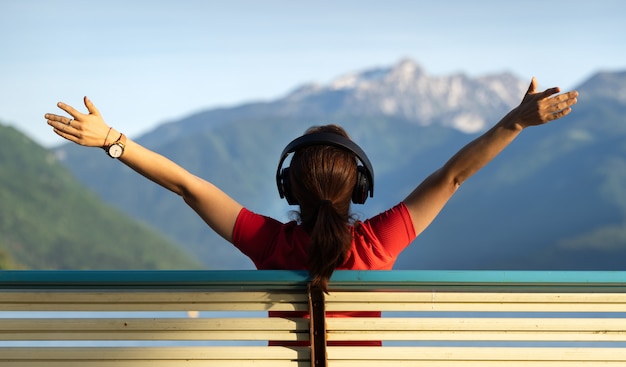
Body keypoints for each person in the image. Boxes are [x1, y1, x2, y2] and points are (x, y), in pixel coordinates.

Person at [45, 77, 577, 345]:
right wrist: (514, 123)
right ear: (360, 190)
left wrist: (113, 140)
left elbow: (187, 186)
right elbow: (452, 177)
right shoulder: (378, 242)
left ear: (287, 186)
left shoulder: (268, 243)